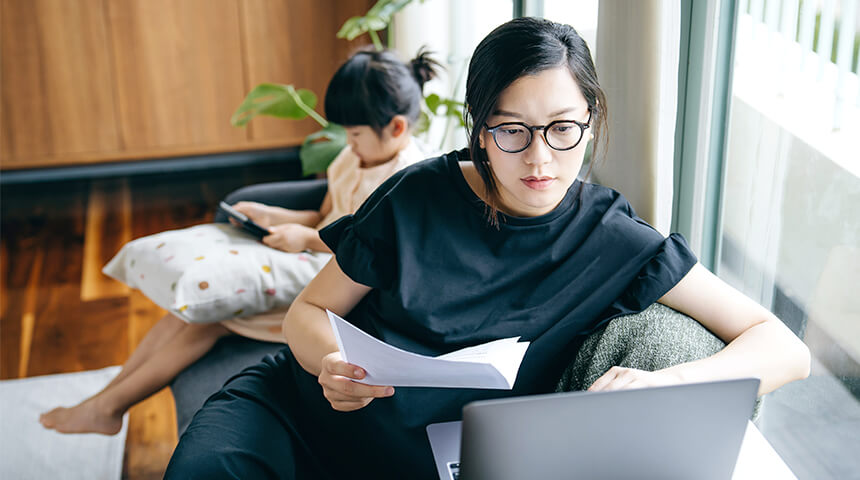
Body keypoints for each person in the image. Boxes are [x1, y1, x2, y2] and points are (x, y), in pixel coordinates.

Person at [164, 17, 810, 479]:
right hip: (302, 414)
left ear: (590, 121)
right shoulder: (418, 194)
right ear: (479, 126)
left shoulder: (611, 237)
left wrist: (665, 383)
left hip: (438, 457)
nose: (539, 159)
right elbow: (310, 311)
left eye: (562, 129)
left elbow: (784, 348)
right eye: (511, 131)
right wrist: (331, 363)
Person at [38, 47, 439, 436]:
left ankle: (107, 408)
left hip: (340, 288)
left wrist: (307, 239)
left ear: (397, 128)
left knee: (204, 323)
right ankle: (104, 400)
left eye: (354, 133)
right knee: (183, 313)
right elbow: (323, 216)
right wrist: (270, 217)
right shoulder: (353, 158)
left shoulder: (404, 182)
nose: (347, 142)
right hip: (309, 258)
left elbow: (372, 253)